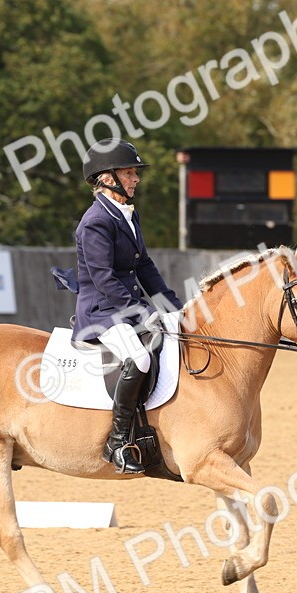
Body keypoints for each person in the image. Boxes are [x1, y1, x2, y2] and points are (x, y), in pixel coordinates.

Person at [73, 139, 184, 474]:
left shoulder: (126, 215)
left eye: (135, 172)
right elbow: (104, 279)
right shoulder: (96, 221)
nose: (135, 179)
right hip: (100, 313)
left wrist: (173, 308)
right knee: (139, 357)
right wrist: (142, 312)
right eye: (128, 172)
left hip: (123, 307)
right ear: (106, 178)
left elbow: (145, 267)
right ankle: (118, 440)